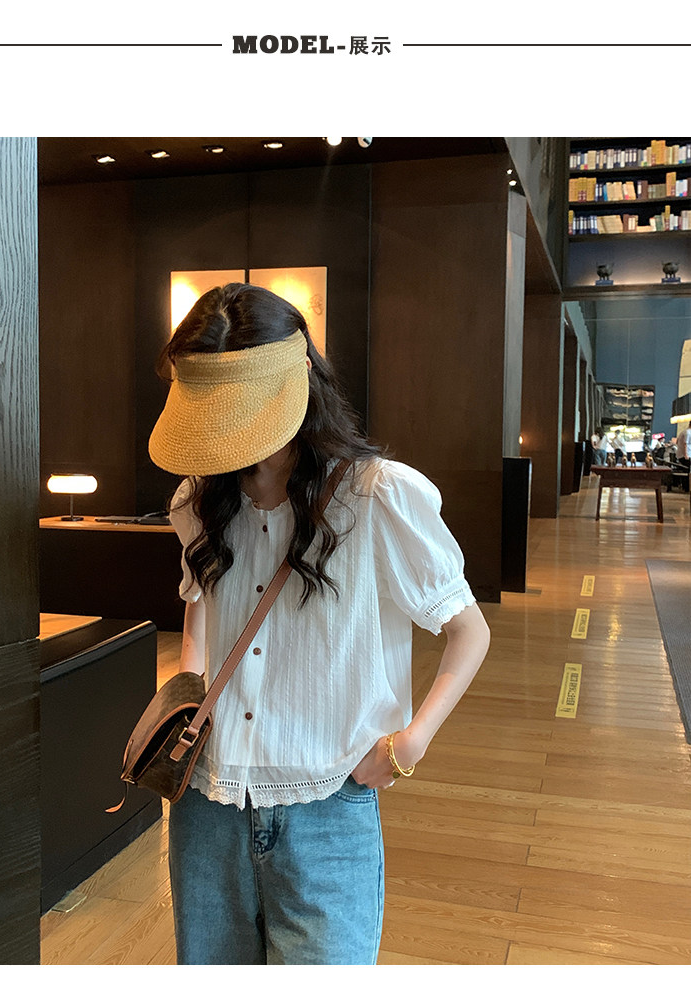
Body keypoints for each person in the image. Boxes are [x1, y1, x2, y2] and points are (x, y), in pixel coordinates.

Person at [147, 282, 490, 966]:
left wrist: (411, 742)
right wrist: (188, 695)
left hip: (329, 803)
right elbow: (200, 609)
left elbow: (468, 631)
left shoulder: (377, 497)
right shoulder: (199, 499)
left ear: (301, 375)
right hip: (207, 806)